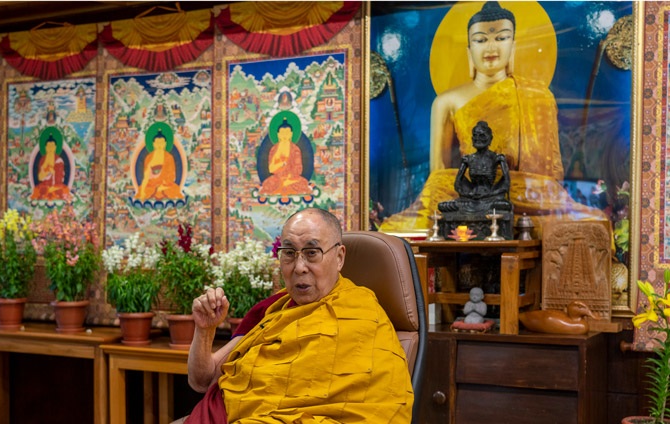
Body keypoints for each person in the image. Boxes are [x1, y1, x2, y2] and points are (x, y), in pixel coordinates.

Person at [380, 1, 606, 236]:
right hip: (469, 199)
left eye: (501, 38)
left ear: (513, 46)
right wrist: (472, 191)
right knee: (409, 215)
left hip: (527, 197)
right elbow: (439, 178)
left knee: (594, 222)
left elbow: (549, 180)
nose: (491, 47)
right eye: (480, 40)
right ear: (469, 50)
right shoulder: (447, 101)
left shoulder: (538, 96)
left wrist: (508, 187)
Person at [180, 208, 414, 423]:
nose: (299, 267)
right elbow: (201, 381)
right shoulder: (272, 310)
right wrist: (205, 330)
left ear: (340, 257)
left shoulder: (364, 314)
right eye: (289, 253)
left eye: (312, 253)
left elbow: (381, 407)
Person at [438, 120, 512, 214]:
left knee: (504, 205)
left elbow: (506, 184)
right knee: (444, 206)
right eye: (475, 136)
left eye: (482, 136)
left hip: (491, 198)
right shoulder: (467, 159)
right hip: (471, 199)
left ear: (490, 138)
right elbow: (458, 184)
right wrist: (469, 194)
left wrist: (490, 194)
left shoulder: (497, 158)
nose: (478, 139)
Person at [259, 118, 311, 196]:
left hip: (292, 179)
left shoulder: (295, 149)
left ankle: (285, 186)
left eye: (287, 133)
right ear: (278, 135)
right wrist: (281, 164)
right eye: (282, 133)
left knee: (302, 183)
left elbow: (298, 169)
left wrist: (290, 176)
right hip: (277, 178)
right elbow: (271, 169)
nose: (285, 135)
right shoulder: (274, 149)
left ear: (291, 134)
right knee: (268, 184)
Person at [136, 129, 183, 201]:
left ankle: (159, 192)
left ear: (165, 144)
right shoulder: (149, 158)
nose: (159, 145)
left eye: (161, 142)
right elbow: (146, 177)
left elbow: (172, 176)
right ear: (153, 144)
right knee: (141, 190)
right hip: (151, 186)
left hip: (165, 186)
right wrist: (142, 191)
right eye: (157, 142)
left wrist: (163, 185)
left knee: (175, 189)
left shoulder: (169, 157)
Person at [31, 135, 70, 201]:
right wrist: (45, 171)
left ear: (55, 147)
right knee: (36, 190)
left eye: (52, 146)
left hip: (56, 187)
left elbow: (60, 179)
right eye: (49, 146)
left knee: (64, 190)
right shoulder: (43, 160)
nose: (50, 148)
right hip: (44, 186)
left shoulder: (59, 160)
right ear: (46, 148)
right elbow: (40, 178)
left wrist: (53, 173)